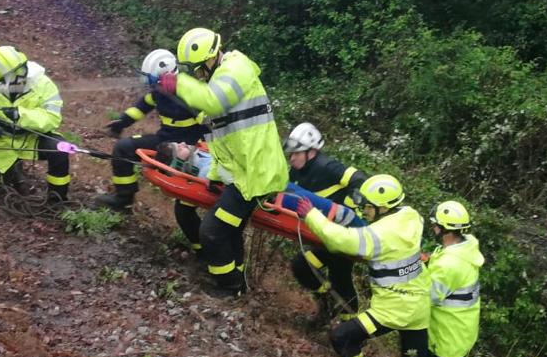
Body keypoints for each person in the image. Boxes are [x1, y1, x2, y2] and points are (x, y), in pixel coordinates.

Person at [294, 174, 438, 357]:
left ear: (383, 207)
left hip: (393, 311)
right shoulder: (412, 217)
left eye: (369, 205)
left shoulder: (379, 234)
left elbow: (339, 239)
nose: (365, 209)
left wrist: (311, 214)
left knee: (342, 337)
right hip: (418, 307)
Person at [157, 27, 288, 295]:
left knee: (212, 232)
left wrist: (180, 83)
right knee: (230, 230)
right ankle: (238, 285)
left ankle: (229, 287)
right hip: (242, 173)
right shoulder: (220, 78)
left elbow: (214, 102)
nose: (196, 74)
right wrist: (215, 175)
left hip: (255, 174)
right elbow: (222, 141)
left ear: (210, 57)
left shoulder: (235, 68)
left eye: (196, 68)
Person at [94, 49, 208, 248]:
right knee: (123, 148)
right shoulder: (158, 93)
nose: (150, 85)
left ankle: (202, 248)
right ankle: (124, 200)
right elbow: (141, 107)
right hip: (163, 141)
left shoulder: (193, 95)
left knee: (184, 208)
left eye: (153, 80)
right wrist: (121, 122)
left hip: (189, 150)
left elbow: (210, 124)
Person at [154, 141, 364, 228]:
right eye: (177, 148)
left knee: (312, 199)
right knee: (321, 207)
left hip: (267, 180)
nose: (183, 144)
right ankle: (356, 225)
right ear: (177, 162)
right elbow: (223, 176)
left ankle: (356, 223)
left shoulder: (202, 152)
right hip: (268, 192)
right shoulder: (203, 171)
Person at [283, 122, 370, 324]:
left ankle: (345, 324)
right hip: (324, 233)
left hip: (345, 233)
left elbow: (360, 180)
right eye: (291, 154)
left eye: (297, 153)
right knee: (337, 276)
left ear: (312, 151)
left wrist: (352, 206)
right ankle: (332, 307)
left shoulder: (328, 166)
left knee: (311, 267)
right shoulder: (297, 171)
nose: (292, 158)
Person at [0, 45, 70, 200]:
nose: (21, 78)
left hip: (31, 139)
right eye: (14, 75)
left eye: (21, 71)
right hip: (1, 144)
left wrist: (21, 115)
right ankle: (14, 173)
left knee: (60, 149)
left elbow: (52, 118)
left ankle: (57, 199)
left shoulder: (43, 84)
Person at [425, 201, 499, 357]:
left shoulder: (450, 264)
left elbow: (428, 296)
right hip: (455, 329)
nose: (433, 227)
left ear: (443, 228)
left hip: (450, 336)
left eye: (435, 224)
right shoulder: (462, 250)